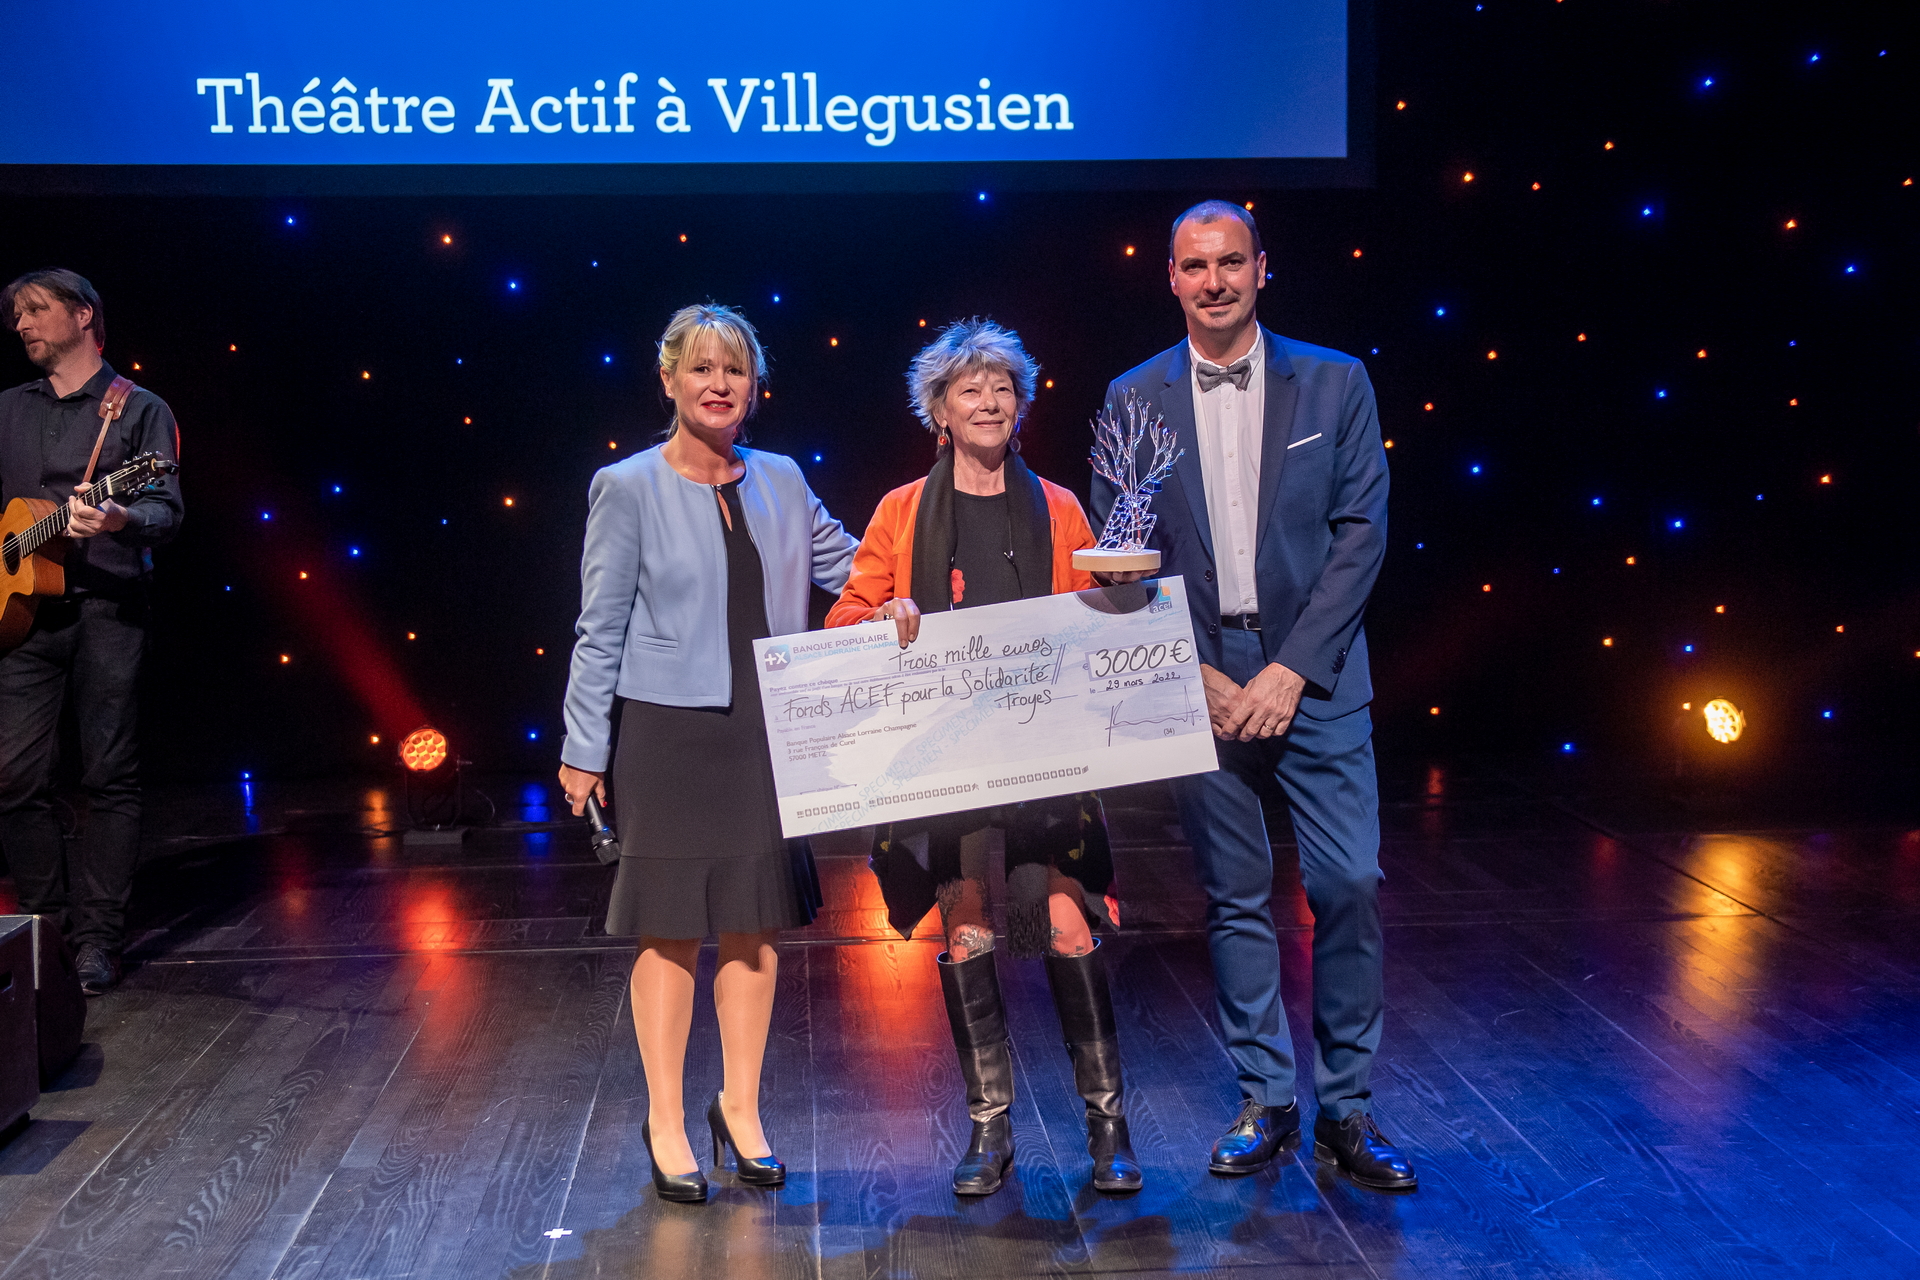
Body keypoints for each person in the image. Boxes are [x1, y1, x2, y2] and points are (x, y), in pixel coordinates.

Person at [1093, 203, 1418, 1191]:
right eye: (1196, 266)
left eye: (1231, 261)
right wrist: (1188, 668)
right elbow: (1124, 553)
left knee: (1349, 883)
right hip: (1199, 674)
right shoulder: (1133, 395)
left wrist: (1291, 669)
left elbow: (1362, 532)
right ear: (1172, 277)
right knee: (1233, 896)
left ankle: (1347, 1106)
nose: (1215, 280)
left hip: (1314, 673)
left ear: (1262, 268)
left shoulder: (1336, 379)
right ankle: (1266, 1097)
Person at [826, 318, 1142, 1196]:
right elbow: (844, 617)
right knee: (967, 928)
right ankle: (990, 1129)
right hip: (946, 760)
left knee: (1057, 923)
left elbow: (1097, 618)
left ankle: (1107, 1128)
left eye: (1003, 388)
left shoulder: (1058, 506)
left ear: (1021, 405)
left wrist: (1124, 596)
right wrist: (882, 617)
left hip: (1044, 758)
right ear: (940, 411)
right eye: (971, 390)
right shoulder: (901, 510)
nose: (990, 402)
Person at [556, 304, 861, 1204]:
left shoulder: (783, 478)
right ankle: (666, 1121)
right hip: (669, 734)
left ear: (755, 386)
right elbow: (598, 628)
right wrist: (583, 748)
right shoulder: (627, 486)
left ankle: (741, 1108)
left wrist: (901, 598)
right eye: (700, 368)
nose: (718, 384)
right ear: (669, 381)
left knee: (754, 926)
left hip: (766, 732)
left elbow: (854, 569)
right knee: (671, 930)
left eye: (734, 370)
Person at [0, 269, 183, 996]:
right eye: (16, 315)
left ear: (83, 316)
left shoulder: (138, 409)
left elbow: (165, 508)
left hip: (109, 608)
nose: (20, 324)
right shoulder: (8, 409)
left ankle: (98, 939)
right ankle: (45, 929)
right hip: (23, 615)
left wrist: (118, 516)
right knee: (13, 777)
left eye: (35, 310)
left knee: (109, 774)